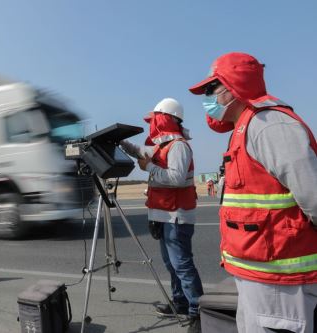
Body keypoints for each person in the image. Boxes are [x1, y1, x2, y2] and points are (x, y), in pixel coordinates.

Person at [189, 52, 317, 332]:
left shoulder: (270, 125)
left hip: (281, 278)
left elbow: (313, 195)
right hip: (258, 274)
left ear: (233, 87)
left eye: (212, 89)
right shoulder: (244, 127)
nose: (207, 98)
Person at [121, 98, 204, 333]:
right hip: (164, 215)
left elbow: (176, 178)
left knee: (182, 265)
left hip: (176, 217)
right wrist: (122, 144)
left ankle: (198, 311)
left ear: (164, 119)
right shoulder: (162, 146)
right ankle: (180, 303)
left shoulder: (178, 146)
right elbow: (141, 153)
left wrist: (148, 168)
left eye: (155, 119)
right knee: (171, 264)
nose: (152, 124)